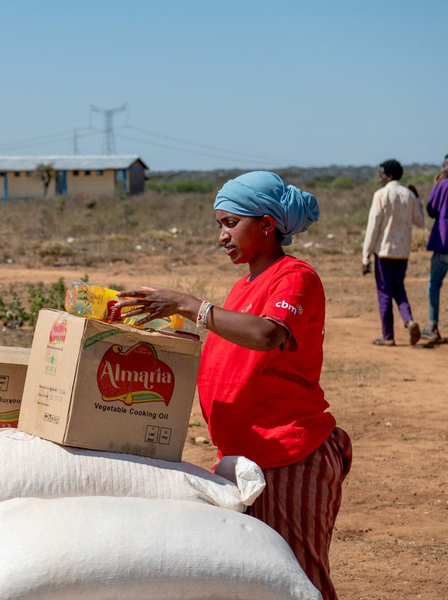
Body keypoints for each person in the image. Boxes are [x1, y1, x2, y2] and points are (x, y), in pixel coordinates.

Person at [116, 172, 351, 600]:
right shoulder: (244, 285)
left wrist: (191, 306)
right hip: (246, 458)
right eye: (219, 226)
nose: (222, 236)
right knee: (259, 580)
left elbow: (266, 334)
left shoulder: (295, 277)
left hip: (288, 454)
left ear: (265, 224)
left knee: (298, 580)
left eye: (230, 223)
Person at [361, 159, 424, 346]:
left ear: (389, 176)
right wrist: (418, 199)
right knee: (399, 288)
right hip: (403, 252)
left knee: (384, 293)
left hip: (384, 252)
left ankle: (388, 336)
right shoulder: (409, 195)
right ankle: (409, 320)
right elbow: (420, 221)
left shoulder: (381, 195)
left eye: (381, 174)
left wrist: (365, 256)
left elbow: (373, 226)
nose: (379, 178)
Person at [423, 154, 448, 341]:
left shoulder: (442, 185)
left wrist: (435, 186)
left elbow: (431, 210)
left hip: (443, 244)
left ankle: (433, 326)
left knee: (434, 286)